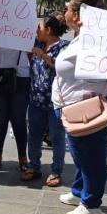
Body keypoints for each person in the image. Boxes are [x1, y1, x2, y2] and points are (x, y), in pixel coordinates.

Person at [54, 0, 107, 214]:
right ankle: (78, 191)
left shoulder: (95, 40)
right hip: (73, 105)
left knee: (91, 156)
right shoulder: (80, 37)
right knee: (79, 154)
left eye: (67, 9)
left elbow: (102, 71)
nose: (64, 13)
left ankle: (91, 204)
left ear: (78, 16)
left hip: (87, 107)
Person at [28, 14, 69, 187]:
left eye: (40, 28)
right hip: (36, 99)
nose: (37, 31)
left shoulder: (64, 47)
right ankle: (34, 166)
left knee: (57, 137)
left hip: (56, 101)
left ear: (49, 30)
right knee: (34, 135)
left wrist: (45, 57)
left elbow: (64, 69)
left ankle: (56, 171)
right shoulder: (36, 44)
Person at [0, 42, 31, 180]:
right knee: (0, 119)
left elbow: (31, 52)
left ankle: (23, 158)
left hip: (20, 75)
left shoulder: (24, 24)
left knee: (18, 120)